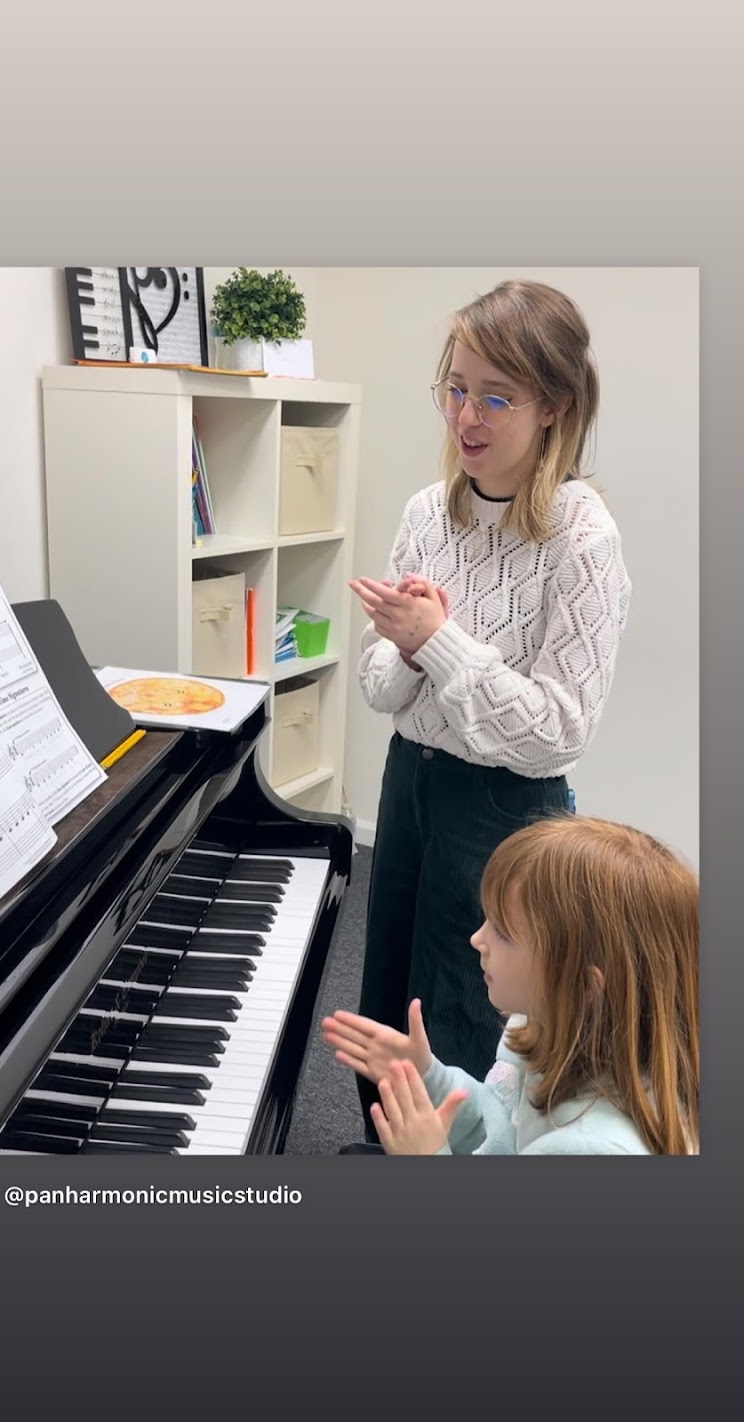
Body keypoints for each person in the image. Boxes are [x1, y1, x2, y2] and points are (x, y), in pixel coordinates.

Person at [348, 279, 632, 1140]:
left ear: (554, 405)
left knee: (473, 1017)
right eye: (456, 389)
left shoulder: (583, 537)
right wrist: (407, 648)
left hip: (505, 809)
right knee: (389, 998)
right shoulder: (426, 514)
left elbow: (559, 731)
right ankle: (387, 1150)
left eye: (496, 397)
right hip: (410, 781)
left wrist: (438, 641)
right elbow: (378, 688)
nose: (466, 417)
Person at [322, 816, 699, 1156]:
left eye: (503, 932)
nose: (477, 939)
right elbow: (499, 1130)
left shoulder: (589, 1148)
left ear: (583, 986)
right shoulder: (543, 1025)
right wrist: (427, 1075)